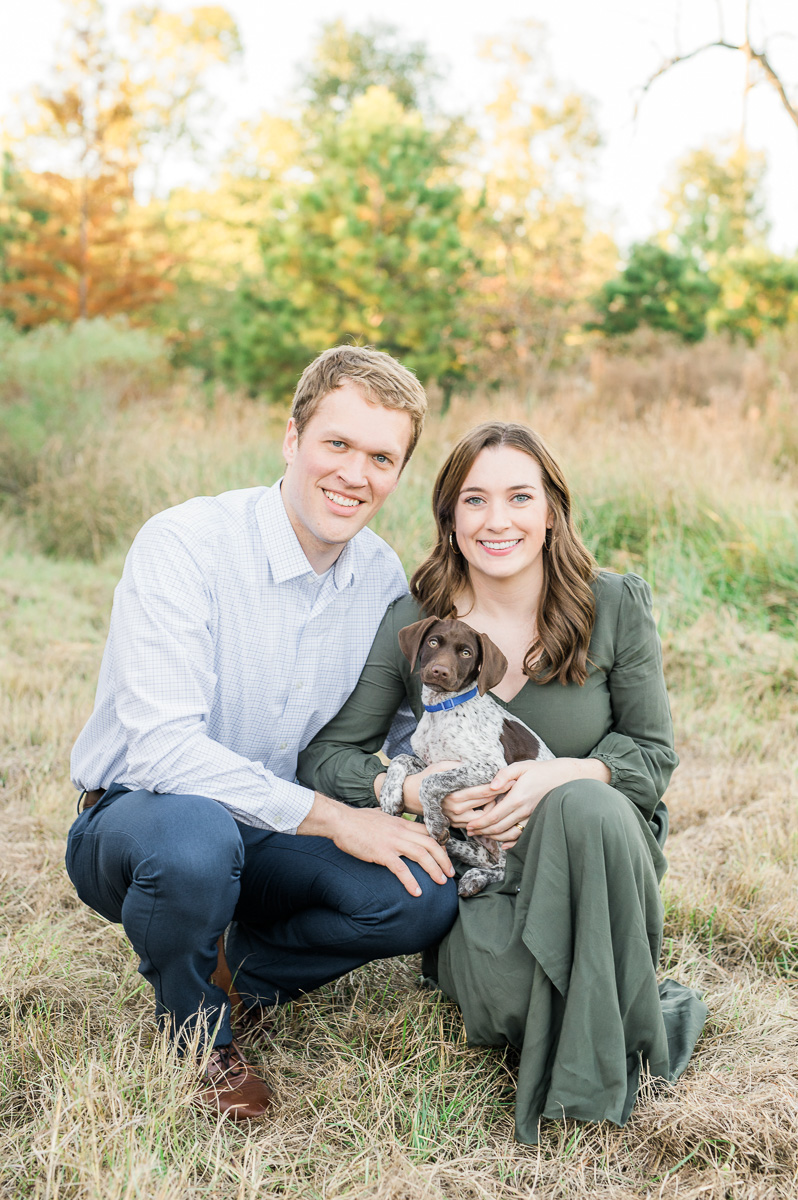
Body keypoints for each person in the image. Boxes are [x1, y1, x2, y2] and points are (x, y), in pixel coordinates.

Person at [66, 345, 459, 1121]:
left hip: (271, 830)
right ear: (293, 439)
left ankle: (240, 976)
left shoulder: (384, 580)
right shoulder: (185, 543)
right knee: (196, 840)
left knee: (421, 896)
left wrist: (445, 782)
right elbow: (162, 750)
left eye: (381, 457)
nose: (355, 473)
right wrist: (340, 819)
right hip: (141, 819)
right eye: (337, 444)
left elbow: (414, 722)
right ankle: (196, 1032)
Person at [298, 420, 707, 1144]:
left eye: (520, 497)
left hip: (596, 859)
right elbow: (329, 758)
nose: (498, 520)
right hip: (484, 875)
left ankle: (598, 1051)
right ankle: (603, 1010)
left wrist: (564, 773)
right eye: (475, 500)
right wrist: (420, 793)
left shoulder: (613, 605)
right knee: (512, 1008)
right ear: (450, 518)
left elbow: (651, 754)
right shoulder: (418, 624)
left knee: (586, 804)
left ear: (551, 510)